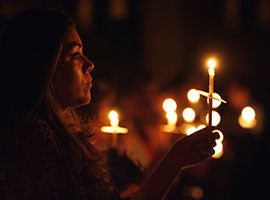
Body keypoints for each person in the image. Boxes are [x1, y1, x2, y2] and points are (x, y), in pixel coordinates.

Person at [0, 8, 219, 200]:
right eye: (75, 55)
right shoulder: (34, 142)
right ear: (45, 67)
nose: (90, 64)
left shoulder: (62, 134)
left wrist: (175, 159)